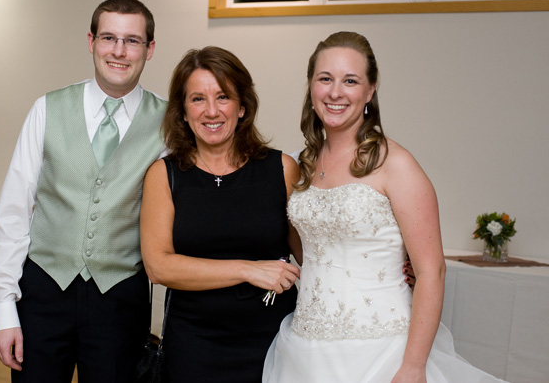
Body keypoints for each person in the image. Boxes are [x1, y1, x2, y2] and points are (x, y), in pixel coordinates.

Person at [262, 32, 507, 383]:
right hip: (304, 347)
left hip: (381, 349)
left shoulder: (396, 164)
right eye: (325, 79)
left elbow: (432, 272)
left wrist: (413, 366)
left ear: (370, 90)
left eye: (350, 81)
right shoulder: (302, 163)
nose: (335, 92)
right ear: (311, 86)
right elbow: (307, 251)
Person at [0, 0, 166, 382]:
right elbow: (13, 212)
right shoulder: (46, 108)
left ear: (149, 49)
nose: (119, 51)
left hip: (121, 299)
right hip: (42, 294)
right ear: (91, 41)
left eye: (132, 40)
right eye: (108, 38)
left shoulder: (170, 124)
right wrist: (4, 309)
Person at [139, 46, 302, 383]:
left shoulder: (282, 169)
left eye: (223, 97)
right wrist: (248, 270)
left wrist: (392, 266)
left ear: (242, 107)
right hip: (193, 347)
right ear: (183, 111)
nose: (211, 111)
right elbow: (158, 267)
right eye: (198, 99)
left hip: (273, 343)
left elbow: (314, 256)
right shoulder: (164, 175)